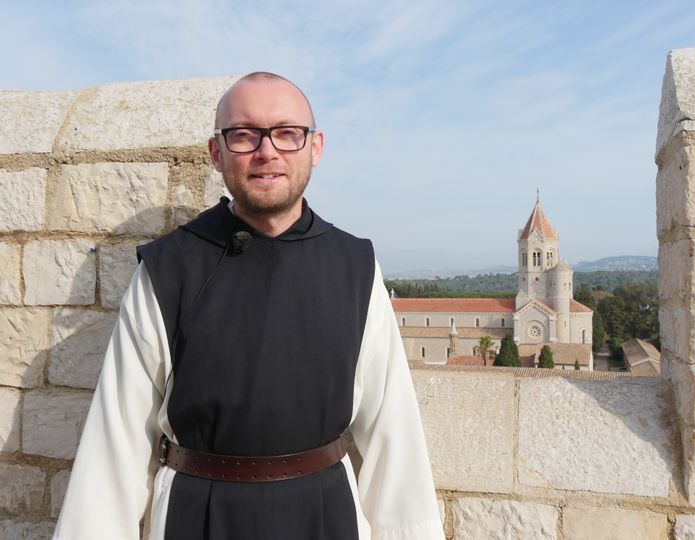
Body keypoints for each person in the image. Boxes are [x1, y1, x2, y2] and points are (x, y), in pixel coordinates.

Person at [52, 72, 444, 540]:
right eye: (243, 135)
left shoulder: (355, 268)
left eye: (286, 132)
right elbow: (115, 442)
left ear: (314, 147)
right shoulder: (169, 269)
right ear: (217, 153)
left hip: (325, 516)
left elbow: (392, 434)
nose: (267, 151)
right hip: (197, 518)